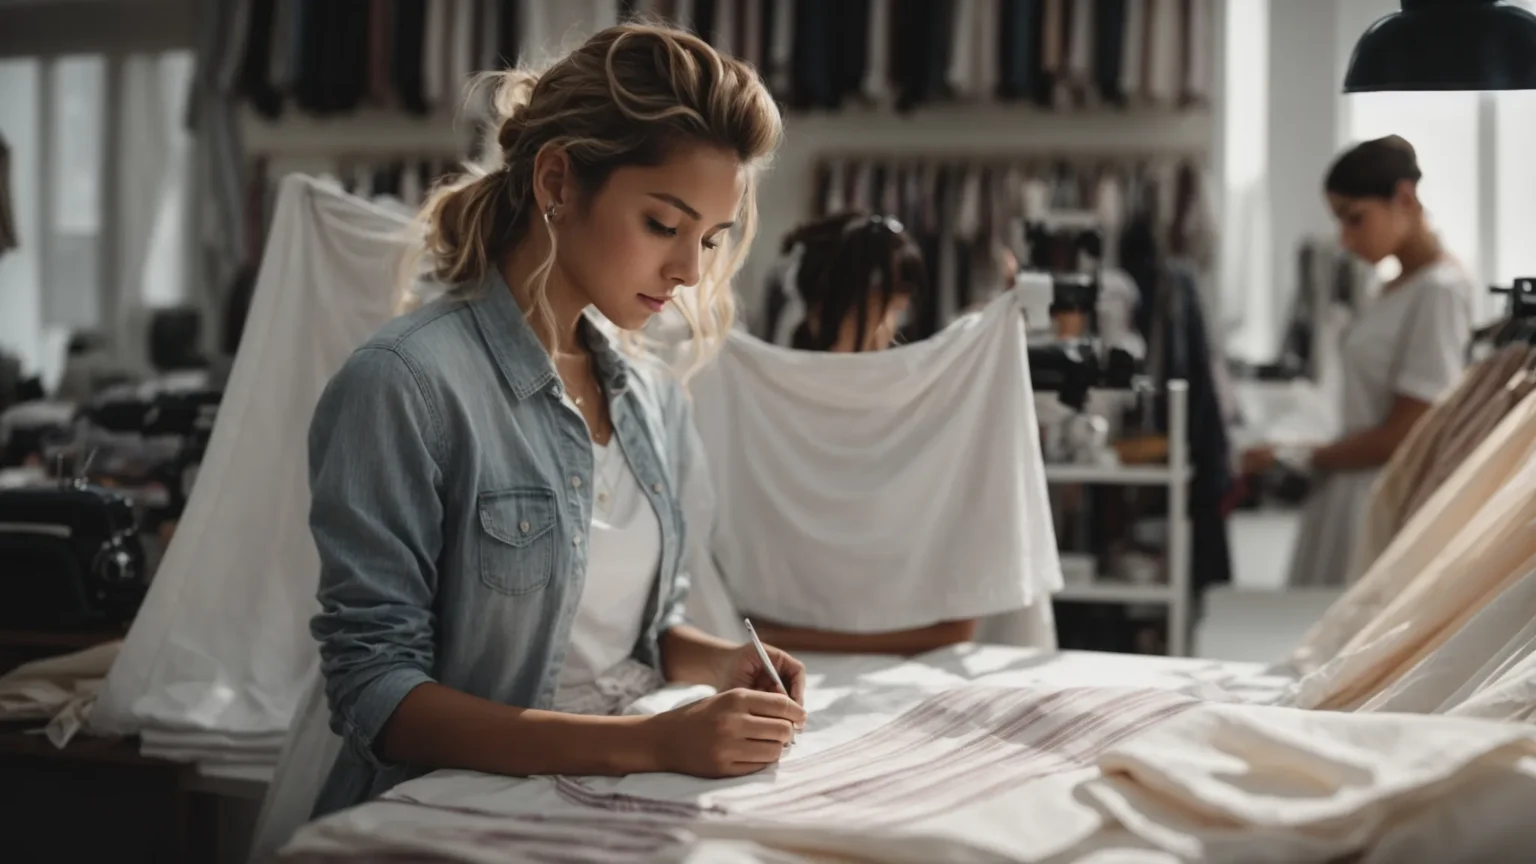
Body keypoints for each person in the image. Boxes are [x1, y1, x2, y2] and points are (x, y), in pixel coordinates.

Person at [304, 24, 808, 817]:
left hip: (619, 792)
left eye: (709, 240)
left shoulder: (650, 394)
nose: (688, 271)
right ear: (558, 181)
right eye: (663, 225)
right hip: (453, 811)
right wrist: (651, 745)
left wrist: (720, 666)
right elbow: (378, 695)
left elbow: (626, 634)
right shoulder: (406, 384)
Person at [1241, 135, 1474, 588]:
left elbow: (1408, 431)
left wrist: (1296, 454)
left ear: (1404, 198)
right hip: (1346, 493)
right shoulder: (1387, 288)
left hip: (1381, 499)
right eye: (1339, 222)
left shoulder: (1439, 292)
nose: (1345, 240)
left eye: (1355, 219)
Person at [748, 211, 982, 655]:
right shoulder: (763, 413)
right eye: (871, 311)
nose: (882, 333)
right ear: (818, 308)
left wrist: (776, 637)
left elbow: (956, 624)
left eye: (894, 311)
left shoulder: (921, 418)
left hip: (810, 651)